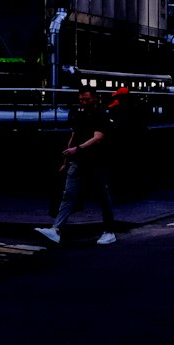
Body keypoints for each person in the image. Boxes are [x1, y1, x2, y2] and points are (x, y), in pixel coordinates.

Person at [36, 89, 118, 246]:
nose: (83, 102)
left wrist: (76, 150)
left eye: (86, 99)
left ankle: (109, 231)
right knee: (69, 194)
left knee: (102, 196)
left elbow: (97, 138)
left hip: (96, 161)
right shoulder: (79, 115)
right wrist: (67, 161)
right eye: (81, 99)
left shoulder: (100, 115)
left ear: (95, 98)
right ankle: (57, 229)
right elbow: (74, 136)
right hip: (79, 161)